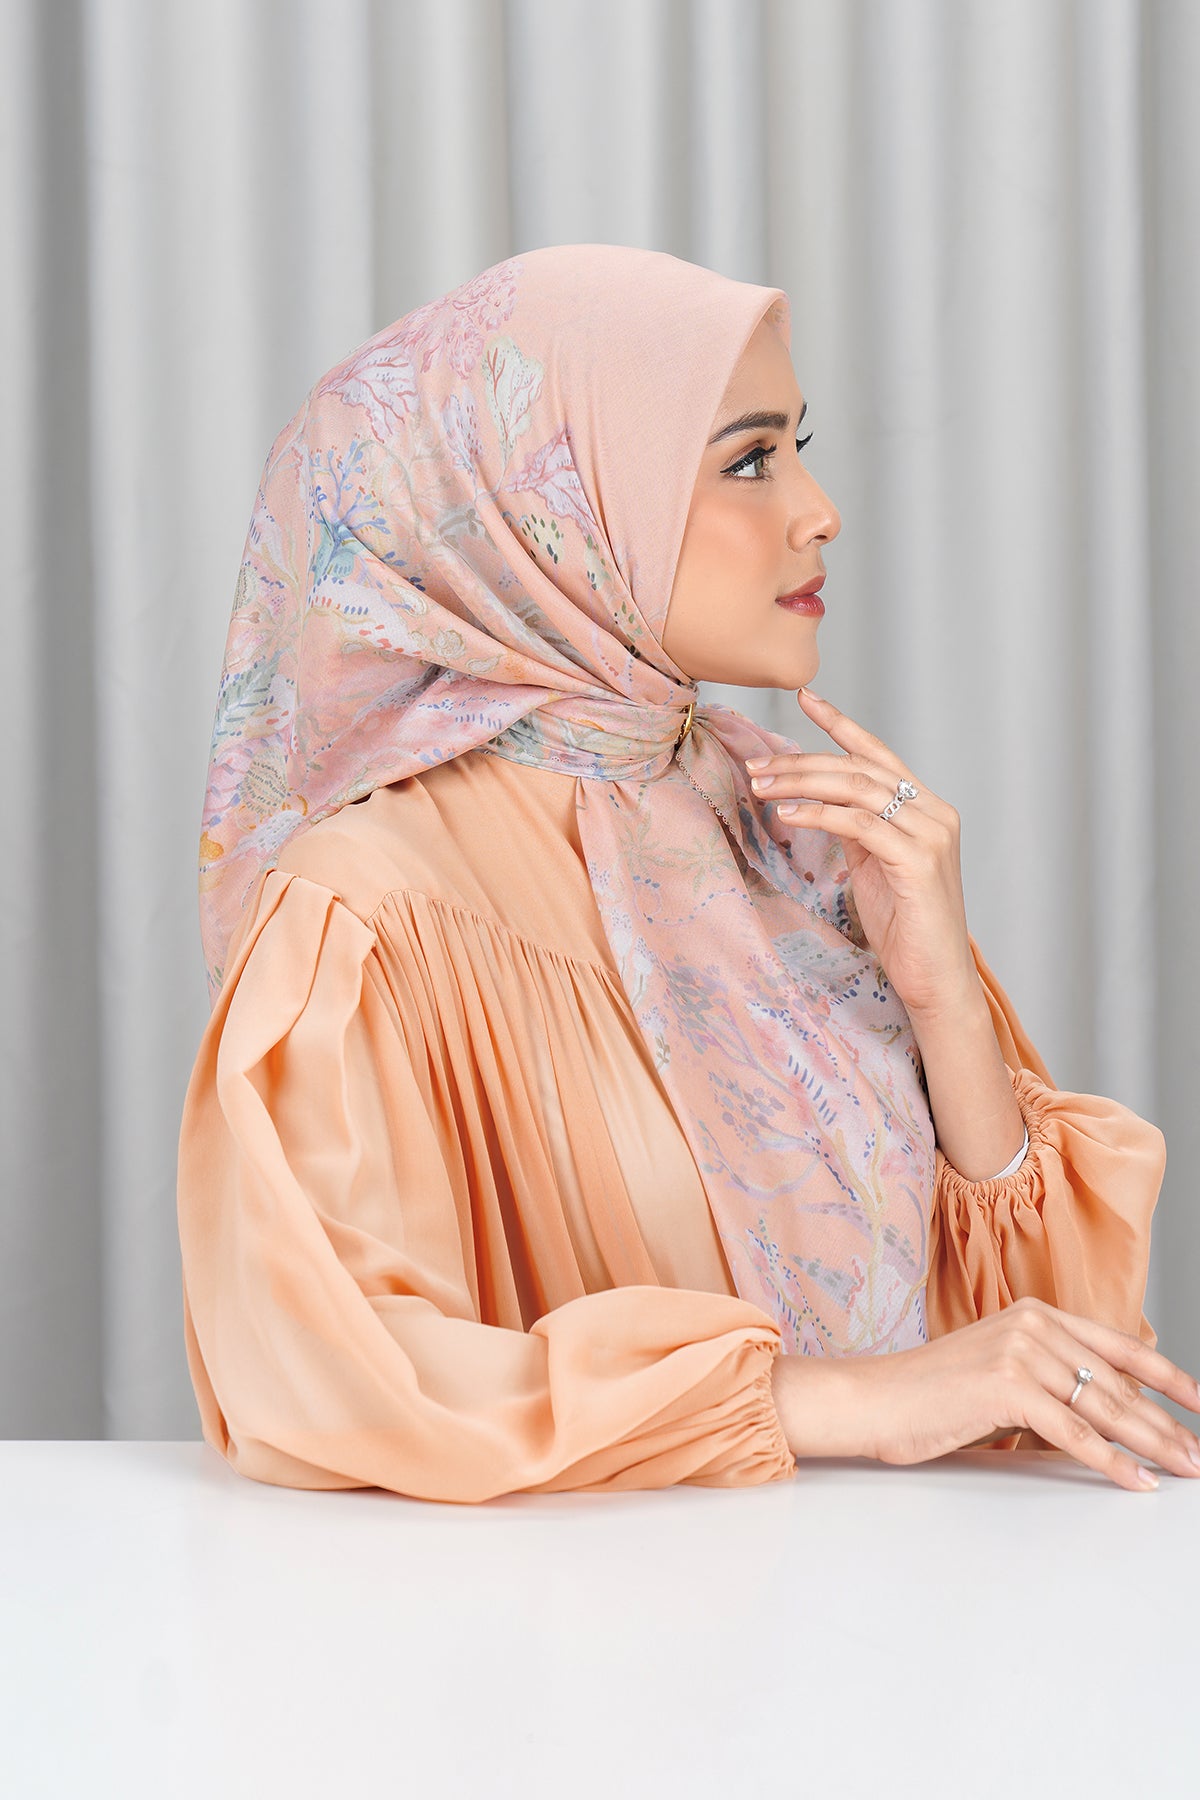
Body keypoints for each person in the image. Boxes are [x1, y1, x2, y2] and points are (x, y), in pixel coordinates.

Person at [177, 243, 1200, 1504]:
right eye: (751, 460)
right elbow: (334, 1376)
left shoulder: (797, 830)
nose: (820, 511)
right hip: (593, 1626)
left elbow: (1052, 1370)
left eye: (797, 447)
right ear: (551, 511)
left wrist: (944, 1003)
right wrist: (848, 1402)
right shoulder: (367, 908)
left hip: (918, 1604)